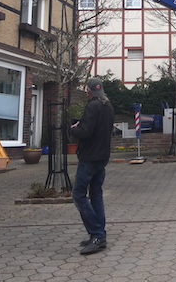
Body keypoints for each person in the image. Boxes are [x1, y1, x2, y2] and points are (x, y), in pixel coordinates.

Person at [69, 78, 115, 255]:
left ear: (88, 91)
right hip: (102, 156)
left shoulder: (92, 106)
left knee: (78, 195)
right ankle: (99, 233)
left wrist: (74, 129)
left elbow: (85, 132)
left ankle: (97, 235)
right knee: (96, 193)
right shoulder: (108, 106)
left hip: (89, 157)